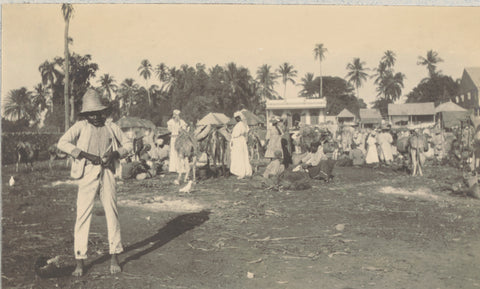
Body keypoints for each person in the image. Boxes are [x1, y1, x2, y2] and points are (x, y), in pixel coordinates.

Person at [57, 89, 133, 276]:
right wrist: (84, 154)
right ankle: (80, 261)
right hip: (87, 173)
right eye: (91, 114)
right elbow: (62, 142)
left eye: (98, 113)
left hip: (107, 172)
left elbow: (128, 144)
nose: (96, 117)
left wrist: (115, 153)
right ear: (86, 115)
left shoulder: (111, 126)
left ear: (103, 112)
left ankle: (114, 256)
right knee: (83, 215)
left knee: (111, 213)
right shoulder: (81, 126)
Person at [230, 111, 253, 179]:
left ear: (239, 118)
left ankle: (241, 172)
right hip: (241, 141)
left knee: (239, 156)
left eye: (237, 118)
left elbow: (235, 134)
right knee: (243, 155)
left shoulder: (239, 125)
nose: (236, 119)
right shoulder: (243, 125)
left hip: (238, 141)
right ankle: (245, 171)